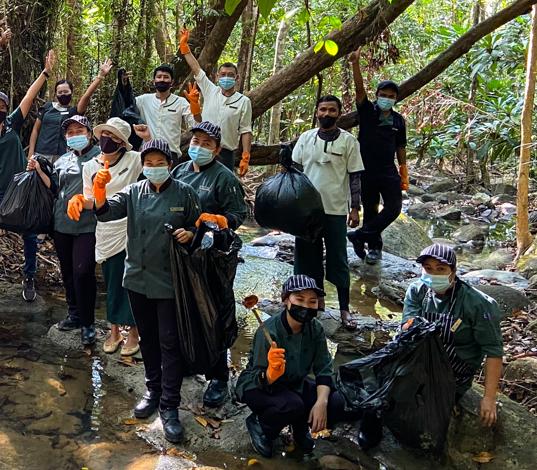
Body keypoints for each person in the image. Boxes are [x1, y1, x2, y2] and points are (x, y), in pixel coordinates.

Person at [94, 138, 207, 444]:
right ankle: (153, 390)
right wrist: (98, 191)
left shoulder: (186, 192)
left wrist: (192, 233)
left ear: (170, 165)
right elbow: (106, 213)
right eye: (149, 163)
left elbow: (203, 228)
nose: (154, 168)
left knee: (170, 342)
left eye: (160, 163)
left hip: (170, 281)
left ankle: (170, 407)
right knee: (148, 338)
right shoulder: (133, 192)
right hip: (137, 279)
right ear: (142, 166)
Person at [357, 244, 504, 449]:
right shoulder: (417, 291)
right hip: (418, 359)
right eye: (428, 268)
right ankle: (371, 424)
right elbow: (407, 328)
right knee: (375, 373)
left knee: (412, 400)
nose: (433, 274)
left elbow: (494, 352)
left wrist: (489, 397)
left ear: (453, 271)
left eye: (441, 269)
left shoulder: (478, 304)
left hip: (453, 373)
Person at [234, 275, 360, 459]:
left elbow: (323, 369)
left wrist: (321, 404)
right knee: (293, 405)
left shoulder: (315, 328)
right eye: (299, 299)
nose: (306, 307)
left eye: (312, 301)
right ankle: (260, 424)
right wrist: (271, 373)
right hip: (260, 386)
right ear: (286, 299)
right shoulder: (268, 331)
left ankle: (300, 426)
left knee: (338, 403)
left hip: (295, 383)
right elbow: (257, 376)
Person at [0, 51, 55, 300]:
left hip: (23, 189)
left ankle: (28, 278)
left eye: (1, 107)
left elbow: (28, 97)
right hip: (0, 191)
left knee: (28, 236)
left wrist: (45, 72)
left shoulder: (13, 124)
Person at [171, 121, 248, 408]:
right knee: (187, 308)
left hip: (214, 256)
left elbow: (238, 214)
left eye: (206, 144)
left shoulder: (224, 178)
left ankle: (218, 377)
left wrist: (217, 222)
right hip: (183, 253)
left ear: (216, 151)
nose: (198, 147)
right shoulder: (179, 171)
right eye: (196, 141)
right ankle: (191, 361)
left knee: (214, 311)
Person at [290, 95, 364, 329]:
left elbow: (354, 176)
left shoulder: (348, 141)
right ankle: (310, 303)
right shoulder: (306, 138)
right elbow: (295, 172)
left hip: (335, 210)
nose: (327, 114)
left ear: (339, 114)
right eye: (323, 109)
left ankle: (344, 309)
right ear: (316, 112)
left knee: (338, 259)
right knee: (305, 259)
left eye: (332, 110)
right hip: (306, 211)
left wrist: (355, 208)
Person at [75, 117, 142, 356]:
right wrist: (81, 200)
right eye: (106, 134)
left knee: (132, 280)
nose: (109, 140)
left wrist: (147, 138)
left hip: (132, 227)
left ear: (123, 143)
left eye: (115, 137)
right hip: (105, 228)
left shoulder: (134, 160)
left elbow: (159, 165)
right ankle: (114, 330)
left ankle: (134, 332)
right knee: (112, 280)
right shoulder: (90, 165)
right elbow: (90, 200)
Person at [346, 52, 409, 265]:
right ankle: (374, 248)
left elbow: (400, 145)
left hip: (387, 169)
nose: (387, 98)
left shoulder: (398, 120)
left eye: (391, 96)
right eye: (384, 94)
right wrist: (355, 64)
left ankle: (359, 236)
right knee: (371, 207)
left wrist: (403, 169)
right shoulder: (368, 111)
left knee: (394, 207)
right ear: (377, 94)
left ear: (396, 99)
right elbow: (359, 89)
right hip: (366, 168)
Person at [51, 115, 101, 346]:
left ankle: (88, 323)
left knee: (83, 272)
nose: (74, 135)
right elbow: (54, 189)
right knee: (68, 271)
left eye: (79, 130)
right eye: (70, 133)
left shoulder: (101, 158)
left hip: (88, 224)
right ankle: (74, 314)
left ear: (90, 133)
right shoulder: (62, 160)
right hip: (62, 223)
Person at [178, 28, 253, 175]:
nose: (227, 77)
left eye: (231, 75)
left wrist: (245, 156)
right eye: (223, 74)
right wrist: (185, 48)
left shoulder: (243, 101)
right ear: (218, 76)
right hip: (203, 149)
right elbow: (196, 69)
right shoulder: (210, 90)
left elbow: (245, 130)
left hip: (225, 152)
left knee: (222, 188)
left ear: (237, 78)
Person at [29, 58, 113, 163]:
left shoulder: (74, 112)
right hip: (41, 153)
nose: (63, 94)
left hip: (63, 156)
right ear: (55, 94)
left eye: (66, 91)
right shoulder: (47, 107)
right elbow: (35, 130)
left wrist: (100, 76)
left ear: (71, 93)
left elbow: (87, 96)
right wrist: (31, 152)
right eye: (60, 92)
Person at [132, 65, 198, 152]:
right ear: (154, 81)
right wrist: (123, 85)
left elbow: (197, 124)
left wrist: (196, 108)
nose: (162, 80)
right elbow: (126, 105)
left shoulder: (180, 102)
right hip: (146, 151)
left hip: (171, 153)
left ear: (172, 82)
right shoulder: (143, 100)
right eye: (159, 77)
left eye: (166, 77)